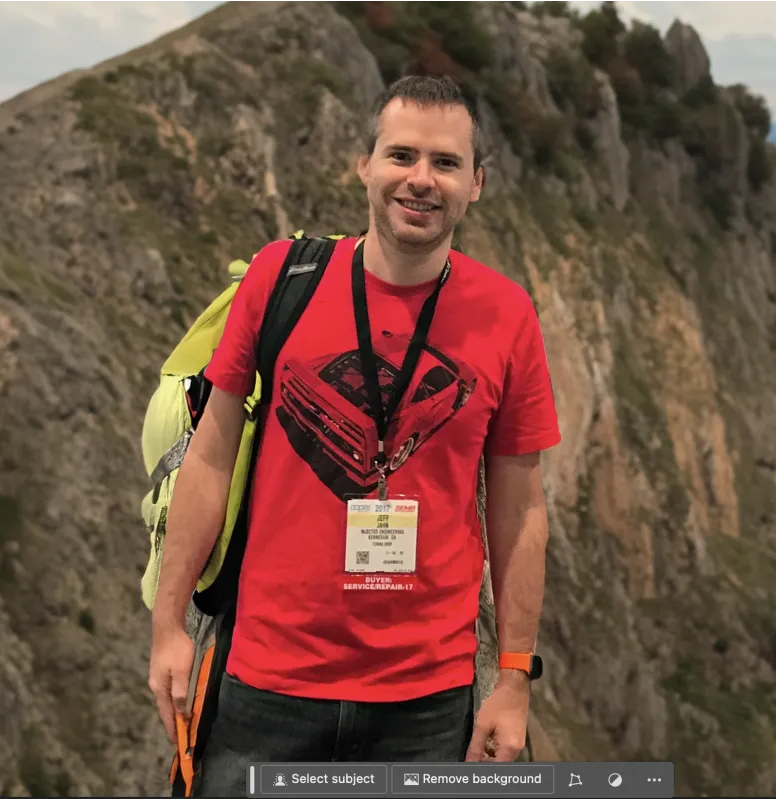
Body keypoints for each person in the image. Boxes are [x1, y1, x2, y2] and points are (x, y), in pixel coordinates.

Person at [148, 73, 561, 793]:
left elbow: (521, 505)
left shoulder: (506, 315)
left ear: (477, 183)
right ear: (364, 164)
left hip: (424, 703)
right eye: (401, 155)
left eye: (445, 163)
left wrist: (515, 678)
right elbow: (210, 456)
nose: (421, 180)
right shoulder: (281, 279)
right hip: (265, 685)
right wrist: (168, 627)